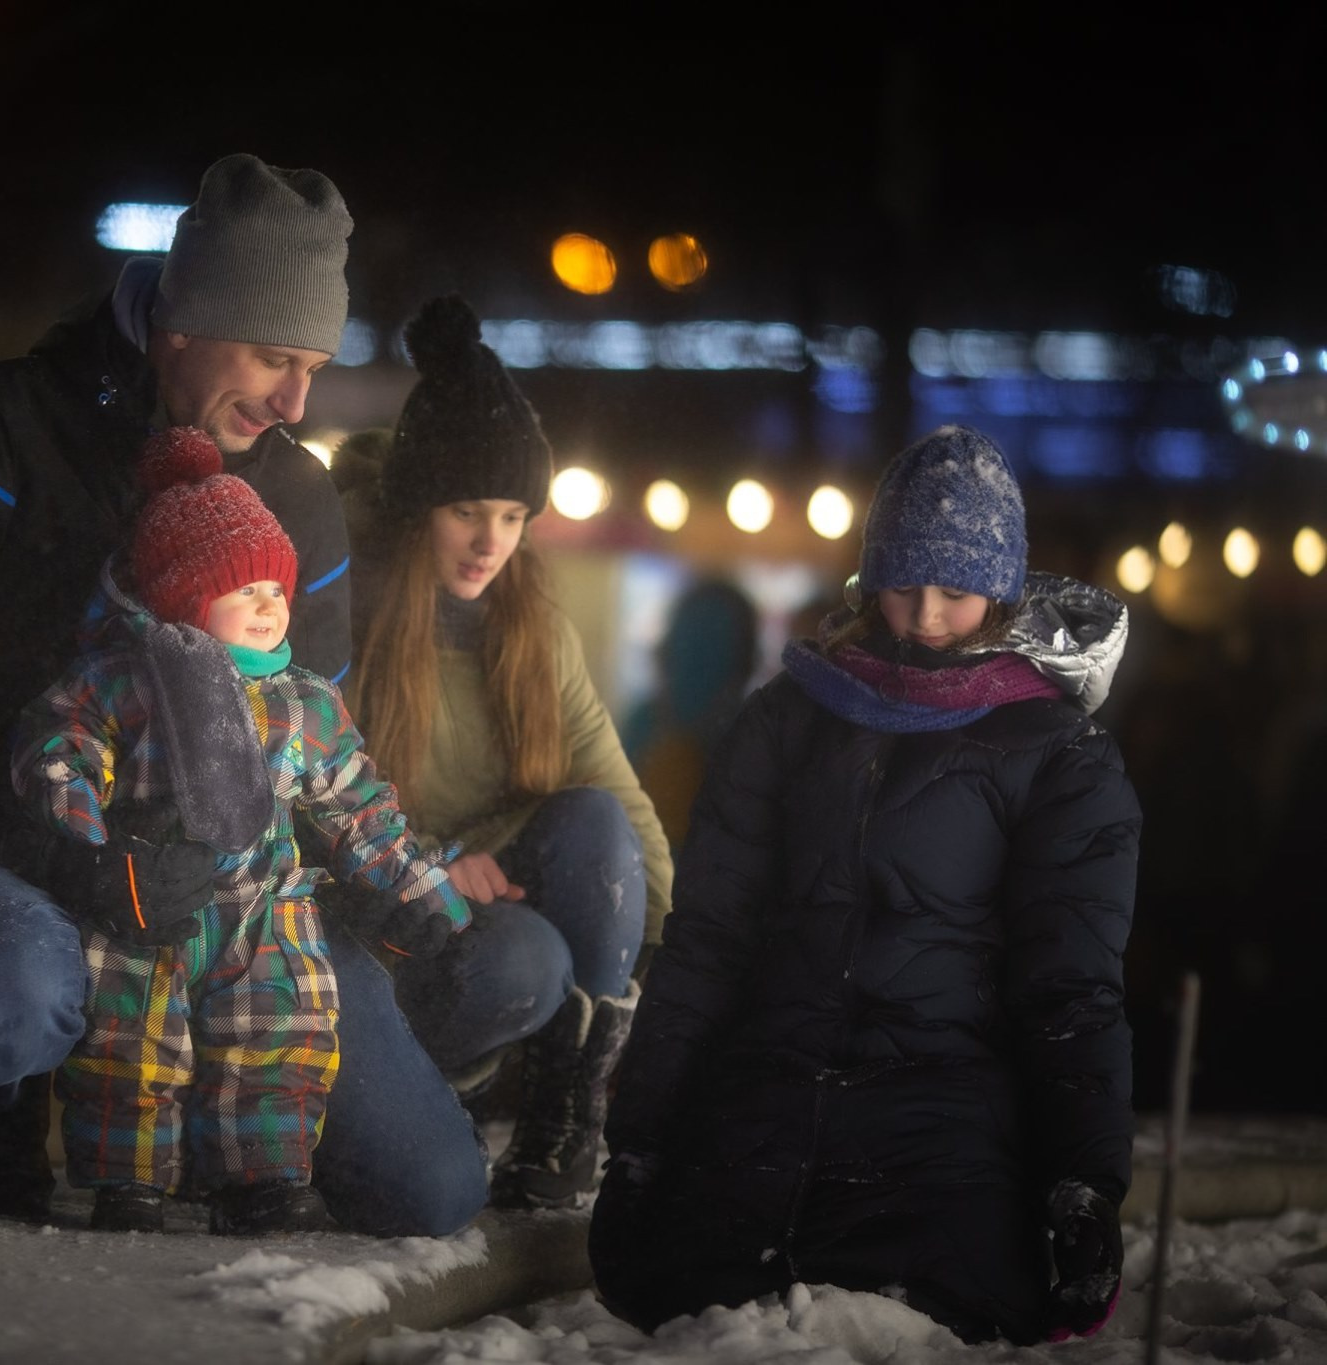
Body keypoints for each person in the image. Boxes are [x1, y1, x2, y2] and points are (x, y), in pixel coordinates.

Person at [0, 152, 491, 1235]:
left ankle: (233, 1138)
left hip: (238, 898)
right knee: (8, 996)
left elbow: (311, 732)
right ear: (182, 323)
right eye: (273, 357)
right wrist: (77, 857)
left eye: (313, 366)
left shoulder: (291, 486)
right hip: (27, 847)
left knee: (430, 1190)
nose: (296, 400)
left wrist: (385, 899)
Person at [590, 425, 1141, 1345]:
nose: (925, 615)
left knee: (929, 1308)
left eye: (956, 592)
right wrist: (642, 1140)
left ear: (1000, 591)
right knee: (698, 1304)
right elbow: (711, 938)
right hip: (765, 1095)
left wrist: (1082, 1181)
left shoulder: (1058, 754)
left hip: (942, 1111)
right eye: (904, 584)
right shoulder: (789, 716)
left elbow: (1069, 985)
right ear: (867, 577)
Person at [9, 428, 470, 1234]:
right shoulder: (126, 681)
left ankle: (262, 1176)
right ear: (186, 596)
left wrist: (416, 887)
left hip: (268, 907)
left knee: (278, 1036)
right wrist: (90, 846)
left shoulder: (304, 700)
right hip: (150, 899)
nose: (270, 604)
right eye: (244, 588)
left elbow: (358, 803)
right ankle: (131, 1178)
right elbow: (60, 750)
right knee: (131, 1041)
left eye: (276, 588)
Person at [333, 294, 675, 1210]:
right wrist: (435, 865)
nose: (493, 542)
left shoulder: (532, 626)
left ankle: (564, 1121)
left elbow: (611, 784)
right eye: (468, 509)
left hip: (490, 885)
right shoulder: (349, 614)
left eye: (516, 515)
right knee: (524, 959)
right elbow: (310, 803)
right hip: (376, 912)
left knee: (598, 829)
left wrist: (679, 952)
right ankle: (442, 1088)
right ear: (418, 507)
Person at [621, 576, 759, 858]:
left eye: (713, 648)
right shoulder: (643, 723)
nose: (698, 665)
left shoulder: (751, 734)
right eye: (692, 643)